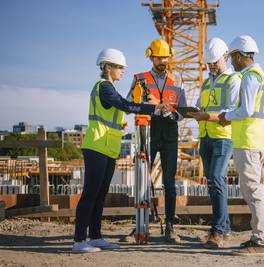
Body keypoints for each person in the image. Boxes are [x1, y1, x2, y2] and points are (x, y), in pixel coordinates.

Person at [73, 48, 167, 253]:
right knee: (90, 193)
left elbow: (119, 108)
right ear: (108, 67)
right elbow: (124, 105)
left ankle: (95, 236)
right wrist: (153, 108)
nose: (123, 71)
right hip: (96, 146)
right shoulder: (104, 87)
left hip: (107, 148)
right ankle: (79, 240)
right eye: (119, 67)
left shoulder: (111, 88)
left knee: (100, 194)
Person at [218, 35, 264, 255]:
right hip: (253, 141)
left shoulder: (250, 77)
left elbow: (246, 111)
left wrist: (226, 116)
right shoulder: (260, 75)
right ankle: (258, 238)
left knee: (253, 191)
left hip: (249, 142)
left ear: (240, 56)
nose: (231, 61)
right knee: (251, 190)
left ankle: (260, 241)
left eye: (232, 57)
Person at [128, 39, 187, 243]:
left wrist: (171, 112)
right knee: (143, 180)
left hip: (170, 134)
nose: (162, 61)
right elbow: (129, 105)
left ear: (170, 57)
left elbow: (183, 111)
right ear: (151, 57)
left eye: (165, 57)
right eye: (158, 57)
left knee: (169, 183)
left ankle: (169, 226)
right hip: (148, 133)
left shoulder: (178, 80)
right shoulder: (140, 79)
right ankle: (139, 225)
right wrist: (147, 105)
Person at [187, 37, 241, 248]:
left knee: (217, 179)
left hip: (222, 137)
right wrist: (192, 112)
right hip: (206, 137)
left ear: (225, 57)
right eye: (208, 64)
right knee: (212, 182)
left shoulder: (233, 80)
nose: (211, 67)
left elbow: (231, 111)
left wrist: (205, 116)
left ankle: (217, 231)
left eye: (215, 63)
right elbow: (202, 105)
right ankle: (225, 228)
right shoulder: (207, 82)